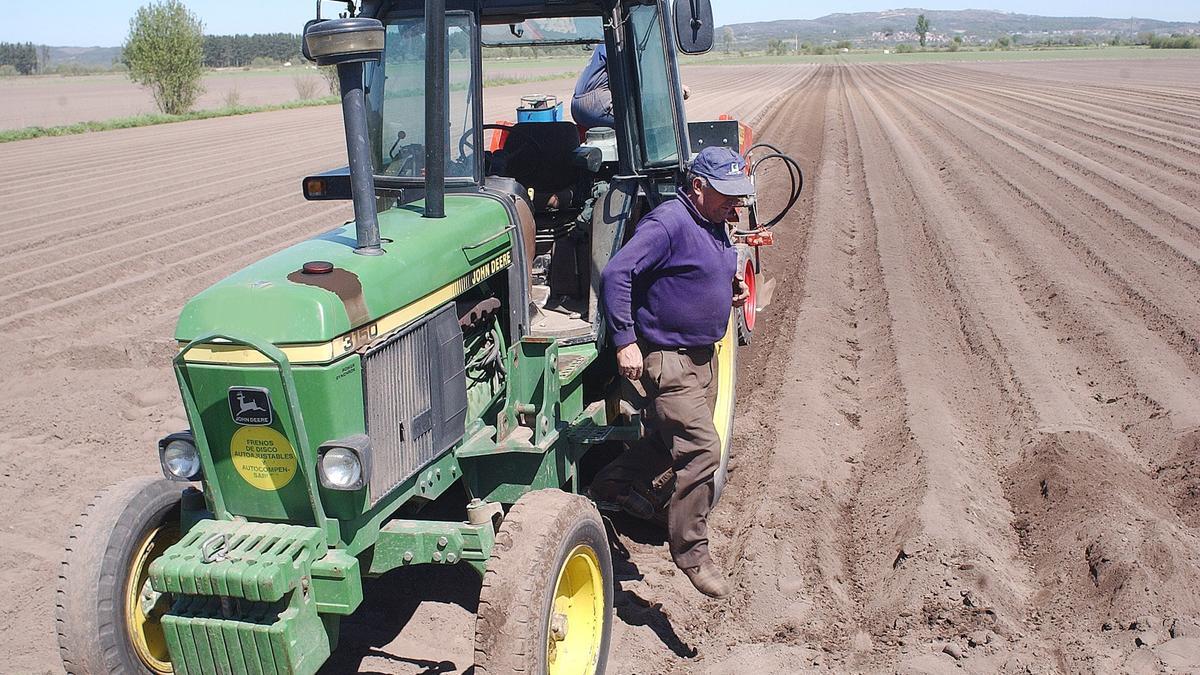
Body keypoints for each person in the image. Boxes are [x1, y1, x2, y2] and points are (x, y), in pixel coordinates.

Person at [599, 146, 752, 598]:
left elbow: (696, 270)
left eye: (738, 195)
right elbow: (617, 273)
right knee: (704, 451)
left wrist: (730, 288)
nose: (735, 204)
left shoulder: (712, 222)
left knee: (664, 446)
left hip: (703, 357)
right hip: (669, 358)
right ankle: (692, 554)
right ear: (698, 187)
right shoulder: (669, 222)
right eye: (727, 194)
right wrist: (625, 339)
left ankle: (608, 486)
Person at [571, 44, 613, 130]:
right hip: (595, 103)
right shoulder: (614, 41)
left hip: (576, 106)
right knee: (639, 119)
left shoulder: (601, 44)